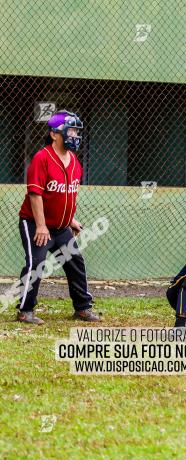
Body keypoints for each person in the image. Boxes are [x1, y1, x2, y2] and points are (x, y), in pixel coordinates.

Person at [17, 110, 100, 324]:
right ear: (54, 134)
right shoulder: (42, 158)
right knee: (36, 262)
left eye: (76, 131)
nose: (74, 135)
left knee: (75, 261)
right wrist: (42, 226)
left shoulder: (74, 161)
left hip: (61, 227)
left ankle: (82, 308)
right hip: (35, 223)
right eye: (70, 130)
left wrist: (70, 220)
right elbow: (35, 195)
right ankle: (25, 311)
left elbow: (67, 194)